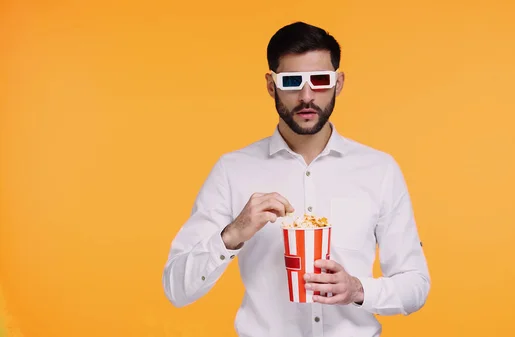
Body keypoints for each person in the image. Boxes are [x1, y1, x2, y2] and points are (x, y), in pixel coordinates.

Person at [162, 21, 431, 337]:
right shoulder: (232, 170)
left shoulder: (379, 170)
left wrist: (359, 289)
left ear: (339, 83)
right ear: (270, 85)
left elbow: (415, 284)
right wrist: (233, 232)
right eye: (291, 81)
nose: (307, 96)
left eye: (320, 80)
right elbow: (176, 289)